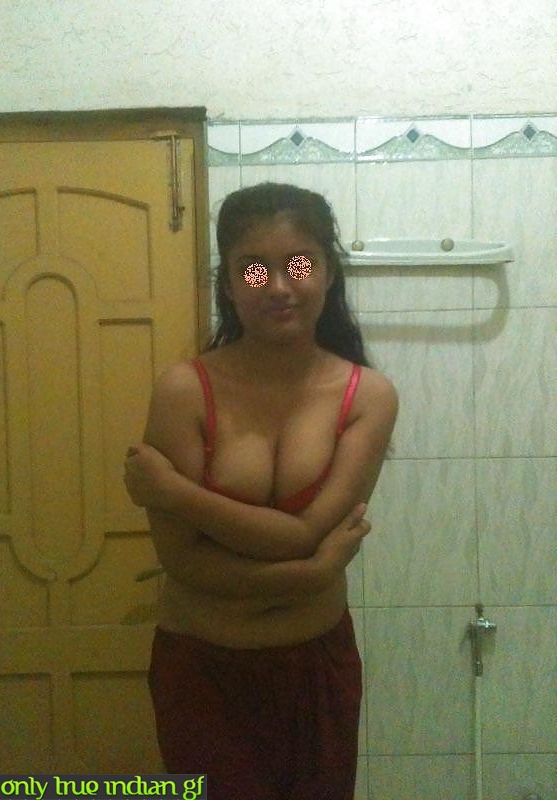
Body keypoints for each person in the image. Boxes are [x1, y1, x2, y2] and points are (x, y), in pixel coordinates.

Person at [123, 182, 398, 799]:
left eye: (298, 264)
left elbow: (305, 535)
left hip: (317, 668)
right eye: (253, 268)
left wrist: (176, 494)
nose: (277, 285)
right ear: (228, 282)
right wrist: (312, 572)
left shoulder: (368, 397)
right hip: (202, 671)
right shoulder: (184, 390)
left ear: (328, 272)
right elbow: (183, 561)